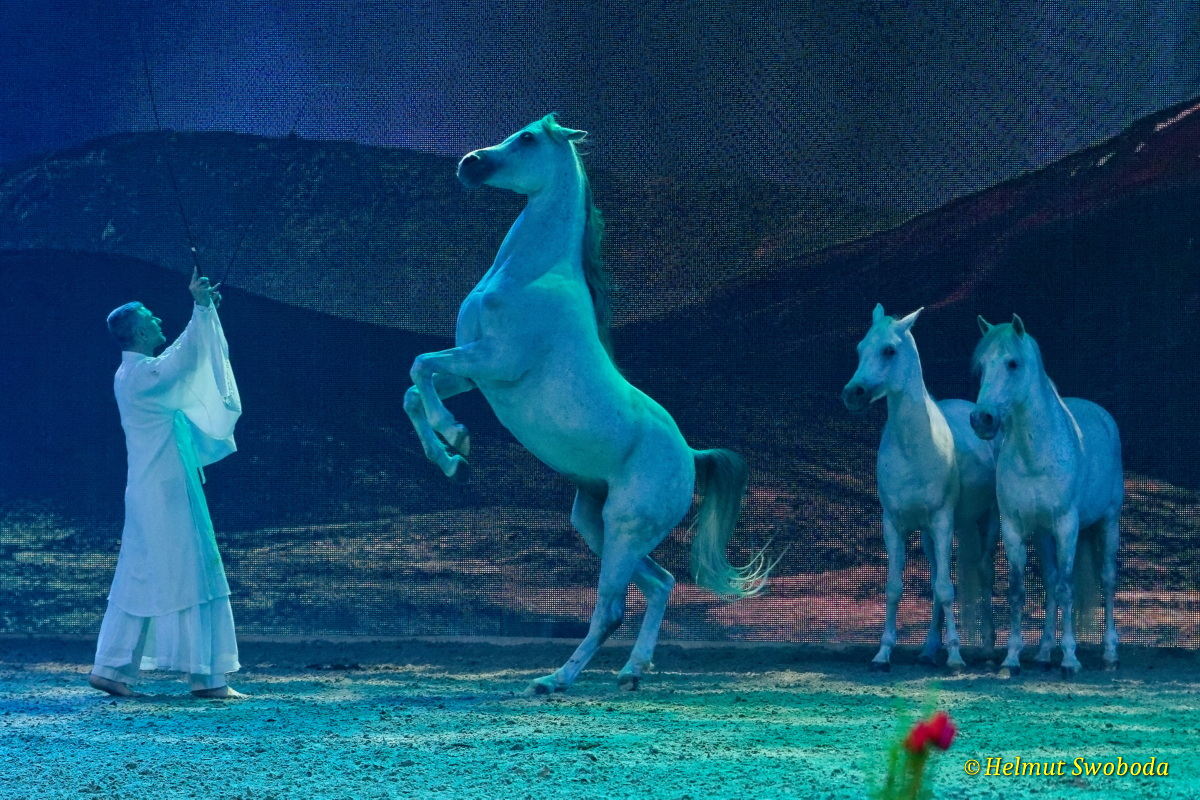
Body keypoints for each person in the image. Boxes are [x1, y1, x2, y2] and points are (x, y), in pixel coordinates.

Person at [88, 268, 245, 699]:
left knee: (141, 575)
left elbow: (180, 355)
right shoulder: (142, 376)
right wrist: (200, 307)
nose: (159, 320)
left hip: (153, 489)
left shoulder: (135, 374)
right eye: (151, 318)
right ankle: (205, 677)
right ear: (139, 332)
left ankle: (113, 667)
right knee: (189, 569)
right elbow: (185, 358)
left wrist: (204, 312)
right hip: (163, 492)